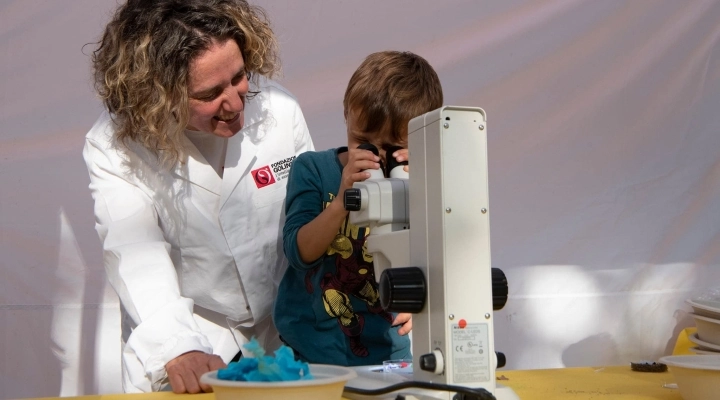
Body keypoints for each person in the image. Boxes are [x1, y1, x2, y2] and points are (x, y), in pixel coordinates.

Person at [83, 0, 314, 393]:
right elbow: (134, 251)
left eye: (239, 76)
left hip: (285, 329)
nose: (237, 102)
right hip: (191, 332)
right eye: (209, 93)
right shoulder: (115, 146)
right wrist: (178, 346)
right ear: (156, 97)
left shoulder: (279, 108)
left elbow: (313, 220)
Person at [273, 51, 443, 365]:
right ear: (346, 115)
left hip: (387, 350)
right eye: (362, 141)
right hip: (310, 351)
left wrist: (428, 302)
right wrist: (341, 201)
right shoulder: (313, 169)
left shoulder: (430, 181)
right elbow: (299, 253)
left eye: (393, 149)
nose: (375, 157)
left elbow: (441, 258)